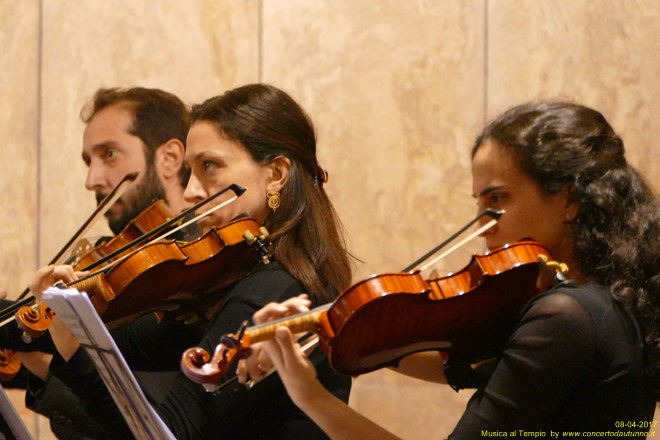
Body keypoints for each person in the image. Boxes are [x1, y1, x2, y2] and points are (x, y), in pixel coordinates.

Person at [239, 101, 658, 438]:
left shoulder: (565, 318)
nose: (481, 225)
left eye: (498, 198)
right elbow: (456, 366)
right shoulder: (606, 307)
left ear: (569, 200)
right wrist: (334, 326)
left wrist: (311, 397)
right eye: (478, 201)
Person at [28, 83, 354, 439]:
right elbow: (126, 344)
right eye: (190, 170)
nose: (191, 192)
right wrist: (44, 318)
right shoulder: (231, 280)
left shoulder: (275, 290)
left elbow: (166, 432)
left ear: (275, 174)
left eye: (209, 166)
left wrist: (75, 349)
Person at [0, 86, 194, 439]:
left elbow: (146, 418)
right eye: (90, 161)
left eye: (110, 155)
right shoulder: (111, 258)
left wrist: (42, 358)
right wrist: (24, 338)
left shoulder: (191, 272)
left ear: (170, 157)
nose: (93, 180)